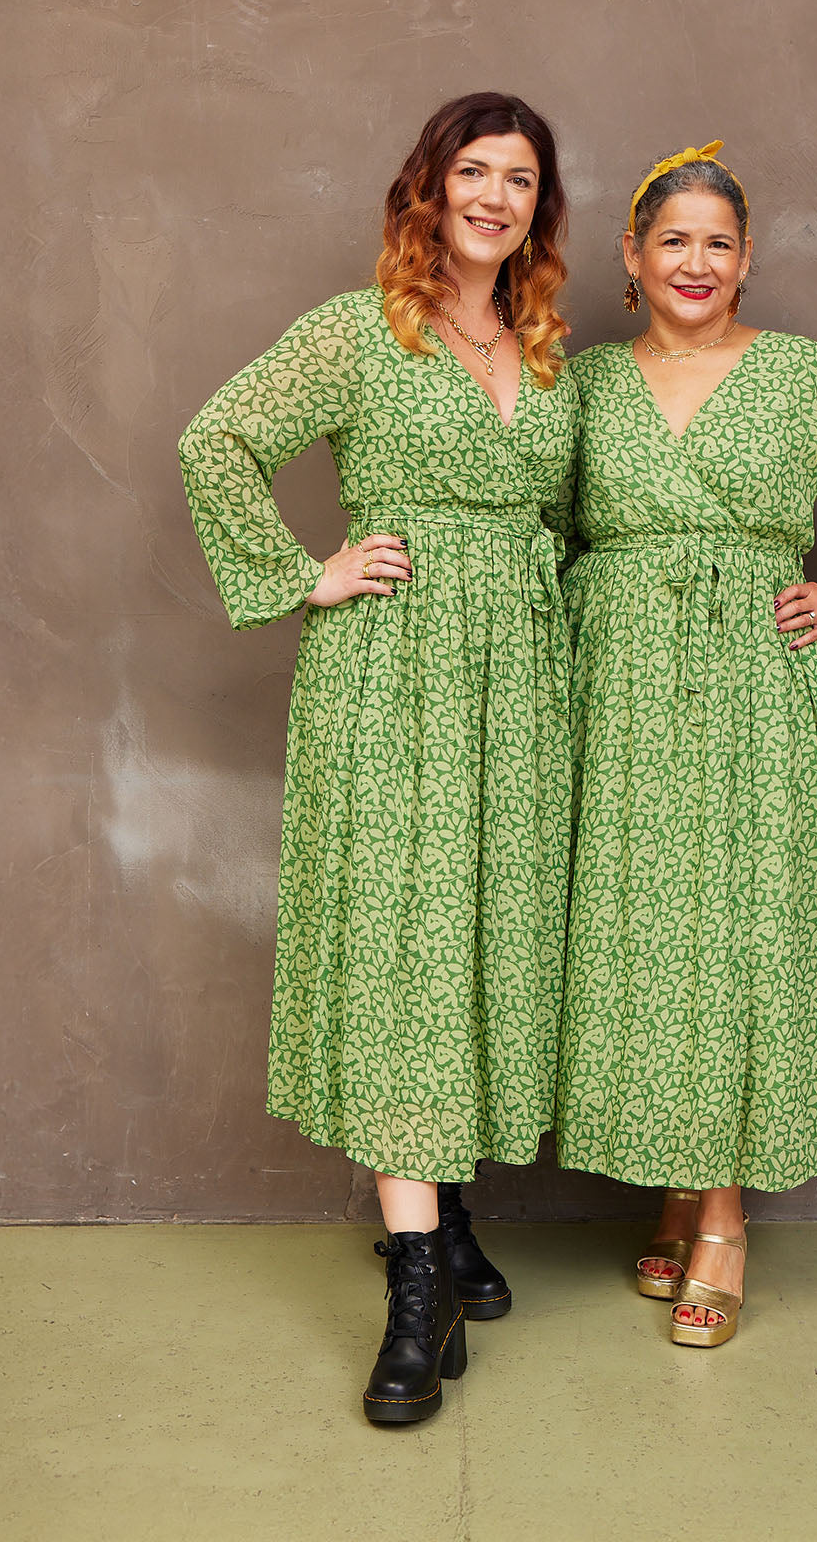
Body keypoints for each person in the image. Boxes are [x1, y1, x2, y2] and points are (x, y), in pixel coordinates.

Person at [179, 93, 577, 1421]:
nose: (498, 196)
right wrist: (312, 573)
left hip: (523, 682)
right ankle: (415, 1287)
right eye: (476, 169)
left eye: (521, 178)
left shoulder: (548, 346)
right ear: (430, 186)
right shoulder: (360, 331)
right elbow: (215, 440)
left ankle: (449, 1217)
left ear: (539, 207)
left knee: (481, 938)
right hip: (395, 672)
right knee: (411, 945)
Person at [555, 142, 817, 1348]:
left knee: (738, 937)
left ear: (747, 261)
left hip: (756, 695)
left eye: (718, 243)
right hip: (619, 692)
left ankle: (721, 1218)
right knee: (648, 935)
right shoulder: (581, 386)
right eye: (671, 240)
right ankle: (680, 1176)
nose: (696, 261)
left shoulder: (802, 375)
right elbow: (543, 529)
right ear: (630, 258)